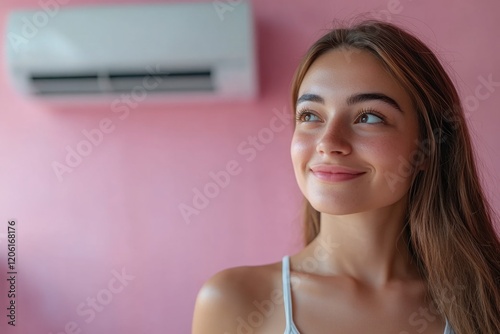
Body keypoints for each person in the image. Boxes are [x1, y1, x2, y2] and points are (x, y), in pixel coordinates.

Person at [191, 19, 500, 334]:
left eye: (368, 117)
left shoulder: (487, 299)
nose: (328, 143)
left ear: (429, 147)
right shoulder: (233, 301)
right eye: (311, 115)